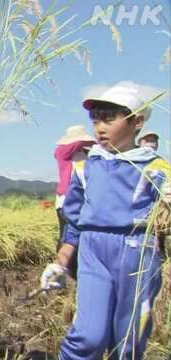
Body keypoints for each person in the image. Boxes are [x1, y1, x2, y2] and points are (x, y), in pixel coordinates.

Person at [41, 84, 171, 359]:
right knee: (88, 336)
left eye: (109, 118)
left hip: (137, 253)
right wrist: (61, 261)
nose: (100, 126)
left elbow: (164, 222)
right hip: (94, 252)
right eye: (96, 118)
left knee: (128, 341)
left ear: (137, 122)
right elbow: (74, 220)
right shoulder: (86, 166)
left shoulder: (154, 167)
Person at [54, 125, 95, 248]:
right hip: (66, 200)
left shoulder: (88, 154)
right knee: (67, 235)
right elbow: (76, 145)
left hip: (84, 199)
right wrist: (90, 141)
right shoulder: (62, 152)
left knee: (82, 235)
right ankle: (63, 264)